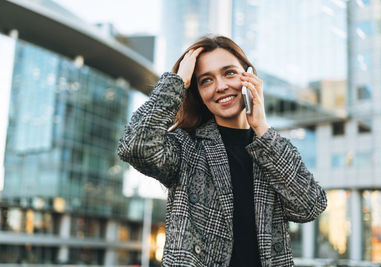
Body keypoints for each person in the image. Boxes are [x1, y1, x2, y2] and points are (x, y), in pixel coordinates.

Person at [117, 35, 327, 267]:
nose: (221, 86)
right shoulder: (186, 146)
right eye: (206, 80)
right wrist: (176, 81)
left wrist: (261, 127)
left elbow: (310, 206)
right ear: (197, 92)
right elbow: (135, 146)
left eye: (229, 73)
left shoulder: (271, 148)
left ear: (249, 77)